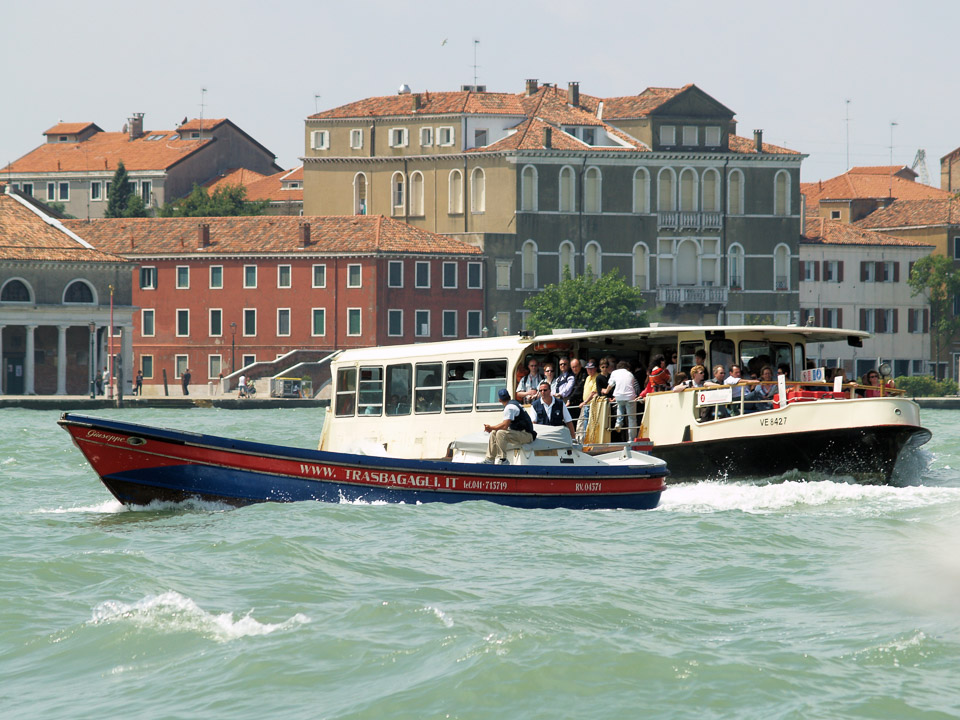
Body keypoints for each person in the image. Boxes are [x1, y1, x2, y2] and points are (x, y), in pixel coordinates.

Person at [482, 388, 537, 463]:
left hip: (527, 435)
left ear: (499, 400)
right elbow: (504, 424)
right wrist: (492, 429)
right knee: (494, 432)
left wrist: (491, 427)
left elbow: (504, 426)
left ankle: (503, 460)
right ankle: (489, 459)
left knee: (500, 433)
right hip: (522, 433)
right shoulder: (514, 404)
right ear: (509, 397)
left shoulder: (509, 408)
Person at [608, 360, 640, 431]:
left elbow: (610, 385)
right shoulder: (630, 374)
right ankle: (632, 438)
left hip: (618, 396)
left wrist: (606, 391)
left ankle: (618, 423)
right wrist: (637, 396)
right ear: (627, 368)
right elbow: (636, 387)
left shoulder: (614, 373)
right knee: (631, 418)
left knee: (620, 407)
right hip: (630, 396)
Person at [576, 360, 601, 436]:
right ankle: (585, 440)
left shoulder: (597, 377)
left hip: (592, 405)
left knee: (591, 424)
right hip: (586, 405)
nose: (589, 370)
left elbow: (593, 392)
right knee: (584, 425)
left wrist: (585, 402)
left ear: (595, 368)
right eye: (587, 368)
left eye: (591, 368)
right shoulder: (587, 378)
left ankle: (589, 441)